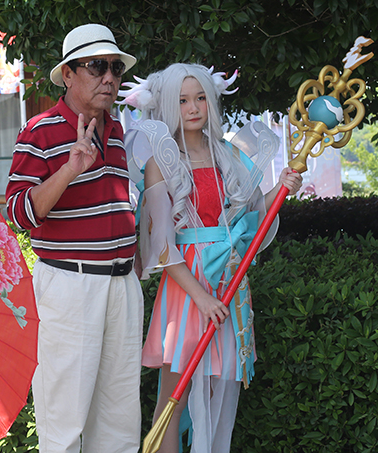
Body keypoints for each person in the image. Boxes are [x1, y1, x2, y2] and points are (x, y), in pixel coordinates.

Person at [120, 63, 302, 453]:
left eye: (200, 97)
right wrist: (200, 297)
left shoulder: (228, 154)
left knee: (222, 383)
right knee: (176, 393)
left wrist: (282, 186)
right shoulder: (159, 160)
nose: (193, 107)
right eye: (182, 100)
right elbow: (162, 244)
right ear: (168, 105)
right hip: (188, 289)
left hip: (229, 281)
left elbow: (252, 217)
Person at [5, 23, 143, 453]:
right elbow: (16, 214)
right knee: (63, 425)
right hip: (70, 285)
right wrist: (68, 169)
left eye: (115, 69)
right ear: (68, 74)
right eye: (97, 67)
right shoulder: (40, 131)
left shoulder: (116, 131)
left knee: (119, 425)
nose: (109, 78)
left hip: (122, 286)